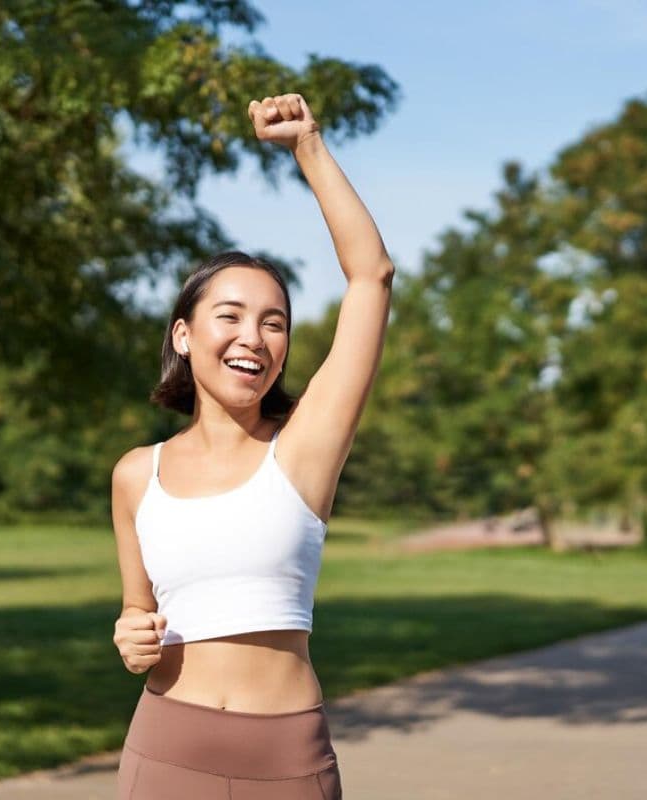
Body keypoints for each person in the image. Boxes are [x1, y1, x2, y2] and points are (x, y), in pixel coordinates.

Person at [110, 93, 394, 799]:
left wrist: (308, 147)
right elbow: (138, 613)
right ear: (184, 335)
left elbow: (372, 277)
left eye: (274, 322)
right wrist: (131, 636)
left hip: (285, 761)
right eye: (230, 316)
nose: (253, 338)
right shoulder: (136, 475)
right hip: (165, 752)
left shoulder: (303, 451)